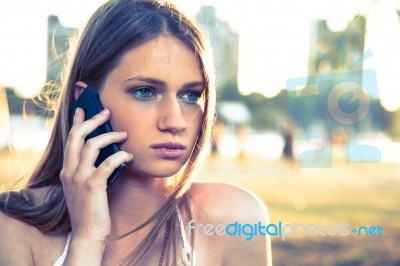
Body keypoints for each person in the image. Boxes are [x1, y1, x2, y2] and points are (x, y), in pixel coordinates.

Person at [0, 0, 272, 265]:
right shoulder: (13, 227)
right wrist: (88, 239)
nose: (175, 121)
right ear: (86, 102)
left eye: (190, 95)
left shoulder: (235, 219)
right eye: (145, 91)